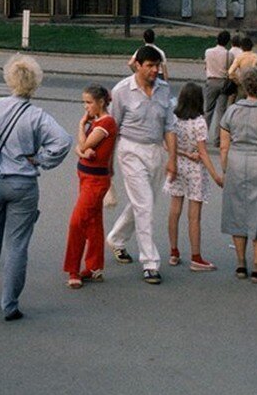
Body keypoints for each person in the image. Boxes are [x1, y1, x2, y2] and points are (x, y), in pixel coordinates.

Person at [0, 55, 71, 320]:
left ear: (10, 79)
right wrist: (42, 159)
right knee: (17, 244)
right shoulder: (37, 116)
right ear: (35, 84)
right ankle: (9, 304)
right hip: (23, 184)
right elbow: (63, 141)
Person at [106, 46, 178, 285]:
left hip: (156, 150)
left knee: (143, 202)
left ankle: (116, 238)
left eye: (157, 66)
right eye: (150, 66)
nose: (155, 70)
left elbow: (169, 126)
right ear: (137, 65)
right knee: (145, 204)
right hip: (131, 149)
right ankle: (150, 262)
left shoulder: (164, 89)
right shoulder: (122, 91)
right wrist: (108, 164)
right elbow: (111, 129)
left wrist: (173, 159)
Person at [164, 82, 223, 271]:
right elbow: (203, 153)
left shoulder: (174, 118)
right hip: (195, 171)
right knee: (194, 216)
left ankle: (174, 252)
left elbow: (167, 144)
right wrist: (215, 175)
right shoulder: (199, 122)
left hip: (177, 165)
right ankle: (196, 257)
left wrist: (183, 154)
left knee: (174, 210)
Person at [63, 84, 117, 288]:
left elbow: (83, 145)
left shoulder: (106, 123)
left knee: (77, 222)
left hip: (95, 180)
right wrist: (82, 150)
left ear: (101, 102)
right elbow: (81, 148)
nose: (85, 107)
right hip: (86, 176)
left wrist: (81, 131)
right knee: (93, 223)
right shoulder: (97, 122)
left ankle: (73, 269)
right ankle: (94, 266)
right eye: (84, 102)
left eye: (89, 102)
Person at [219, 66, 257, 282]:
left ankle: (240, 264)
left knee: (237, 212)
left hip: (236, 162)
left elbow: (224, 146)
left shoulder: (232, 111)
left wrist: (225, 169)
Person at [204, 30, 232, 145]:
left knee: (208, 110)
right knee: (221, 112)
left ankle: (203, 137)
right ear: (227, 42)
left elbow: (206, 65)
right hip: (223, 83)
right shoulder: (229, 54)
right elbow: (230, 70)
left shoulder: (208, 52)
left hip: (211, 81)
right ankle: (217, 139)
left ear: (217, 39)